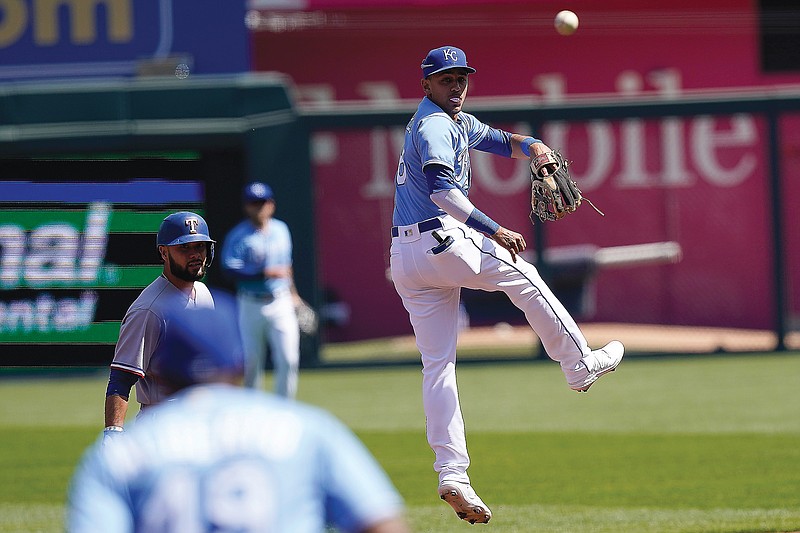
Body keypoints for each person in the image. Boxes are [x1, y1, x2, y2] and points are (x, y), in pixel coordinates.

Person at [389, 45, 625, 525]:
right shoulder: (435, 125)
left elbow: (502, 141)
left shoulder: (455, 121)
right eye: (446, 79)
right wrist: (492, 229)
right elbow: (440, 190)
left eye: (461, 77)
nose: (456, 86)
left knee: (438, 366)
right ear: (426, 84)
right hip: (443, 239)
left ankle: (452, 474)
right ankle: (579, 365)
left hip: (406, 258)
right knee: (527, 277)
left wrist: (534, 146)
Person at [67, 299, 411, 533]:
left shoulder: (121, 456)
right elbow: (381, 523)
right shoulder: (308, 430)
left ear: (160, 373)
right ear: (241, 364)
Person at [102, 211, 216, 443]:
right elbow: (121, 378)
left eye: (200, 246)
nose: (195, 255)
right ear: (164, 252)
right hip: (163, 427)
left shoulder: (204, 294)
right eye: (184, 248)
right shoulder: (149, 309)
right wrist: (112, 434)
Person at [220, 182, 302, 397]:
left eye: (262, 202)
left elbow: (286, 267)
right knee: (250, 363)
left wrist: (294, 296)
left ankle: (283, 411)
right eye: (254, 203)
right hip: (250, 302)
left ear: (271, 204)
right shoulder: (238, 235)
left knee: (288, 359)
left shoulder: (281, 229)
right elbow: (229, 269)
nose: (259, 207)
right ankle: (252, 412)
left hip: (280, 299)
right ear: (246, 206)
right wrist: (263, 273)